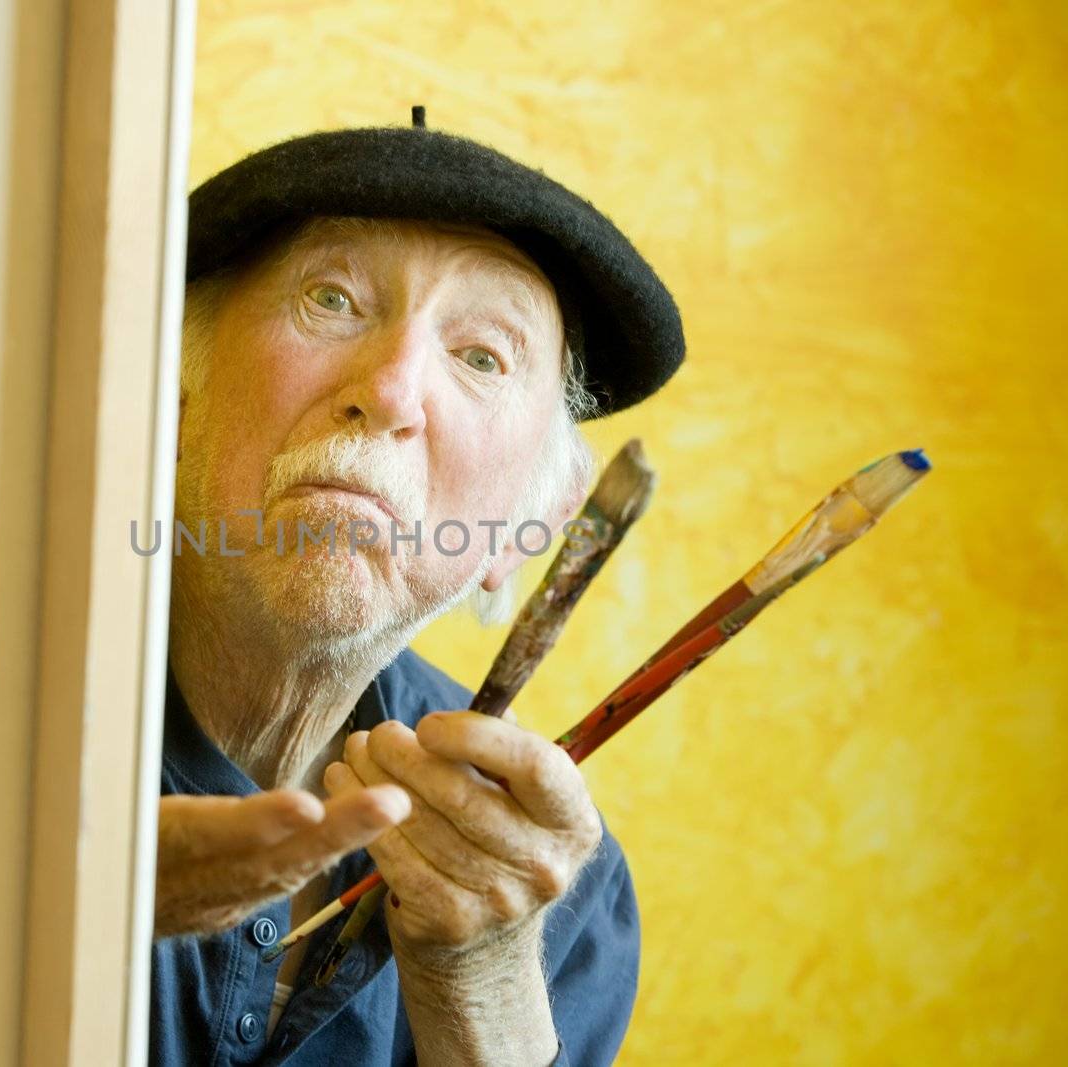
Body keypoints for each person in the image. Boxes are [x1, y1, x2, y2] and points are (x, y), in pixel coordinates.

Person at [150, 108, 684, 1066]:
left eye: (481, 356)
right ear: (173, 395)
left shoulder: (552, 896)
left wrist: (480, 994)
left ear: (538, 523)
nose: (392, 389)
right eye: (330, 299)